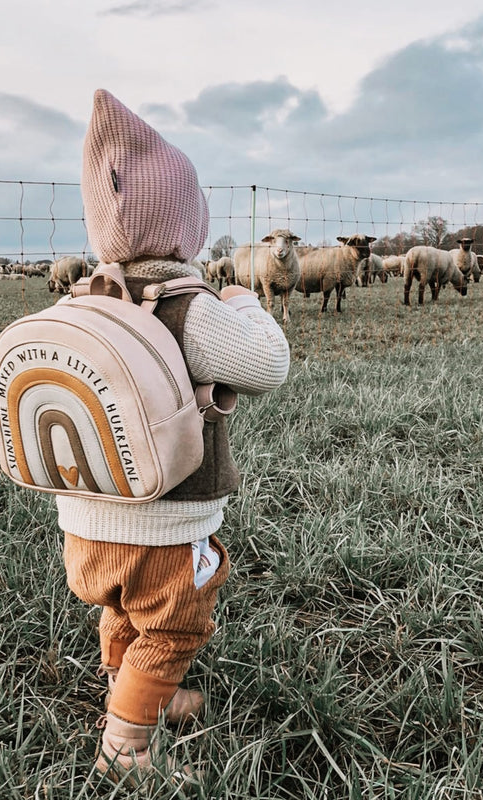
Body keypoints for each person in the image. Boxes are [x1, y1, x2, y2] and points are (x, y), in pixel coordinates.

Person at [61, 88, 290, 781]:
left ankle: (132, 693)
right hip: (166, 518)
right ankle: (128, 749)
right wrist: (246, 302)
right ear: (187, 224)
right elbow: (267, 366)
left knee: (123, 609)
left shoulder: (83, 299)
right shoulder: (187, 306)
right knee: (172, 624)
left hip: (86, 513)